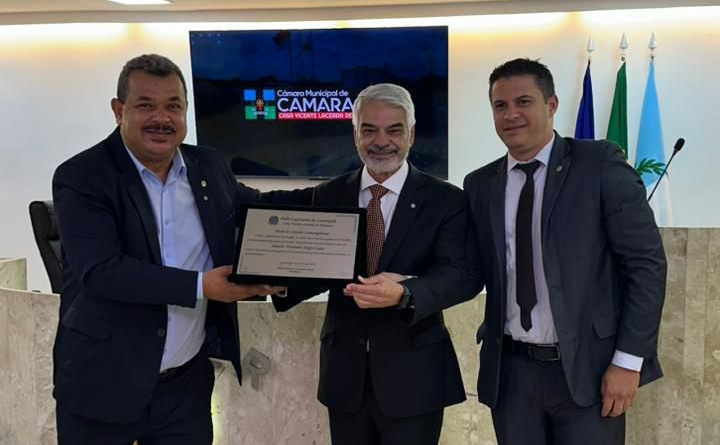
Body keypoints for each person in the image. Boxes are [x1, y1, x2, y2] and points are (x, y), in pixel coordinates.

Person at [52, 53, 278, 445]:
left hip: (184, 391)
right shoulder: (82, 175)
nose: (161, 118)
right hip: (102, 384)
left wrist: (345, 195)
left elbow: (257, 208)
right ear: (118, 110)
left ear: (185, 110)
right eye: (146, 106)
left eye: (173, 106)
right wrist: (202, 286)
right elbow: (102, 271)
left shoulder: (207, 165)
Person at [463, 58, 667, 444]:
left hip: (589, 373)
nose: (511, 114)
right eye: (500, 105)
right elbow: (471, 271)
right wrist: (409, 287)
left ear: (551, 104)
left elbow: (646, 266)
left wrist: (628, 361)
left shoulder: (598, 163)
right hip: (512, 376)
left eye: (523, 102)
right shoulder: (480, 184)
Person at [272, 83, 467, 445]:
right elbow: (319, 265)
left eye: (394, 130)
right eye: (369, 129)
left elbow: (460, 274)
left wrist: (406, 292)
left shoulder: (446, 199)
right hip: (345, 376)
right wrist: (277, 281)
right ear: (355, 135)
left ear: (411, 134)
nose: (381, 141)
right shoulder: (329, 194)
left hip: (414, 378)